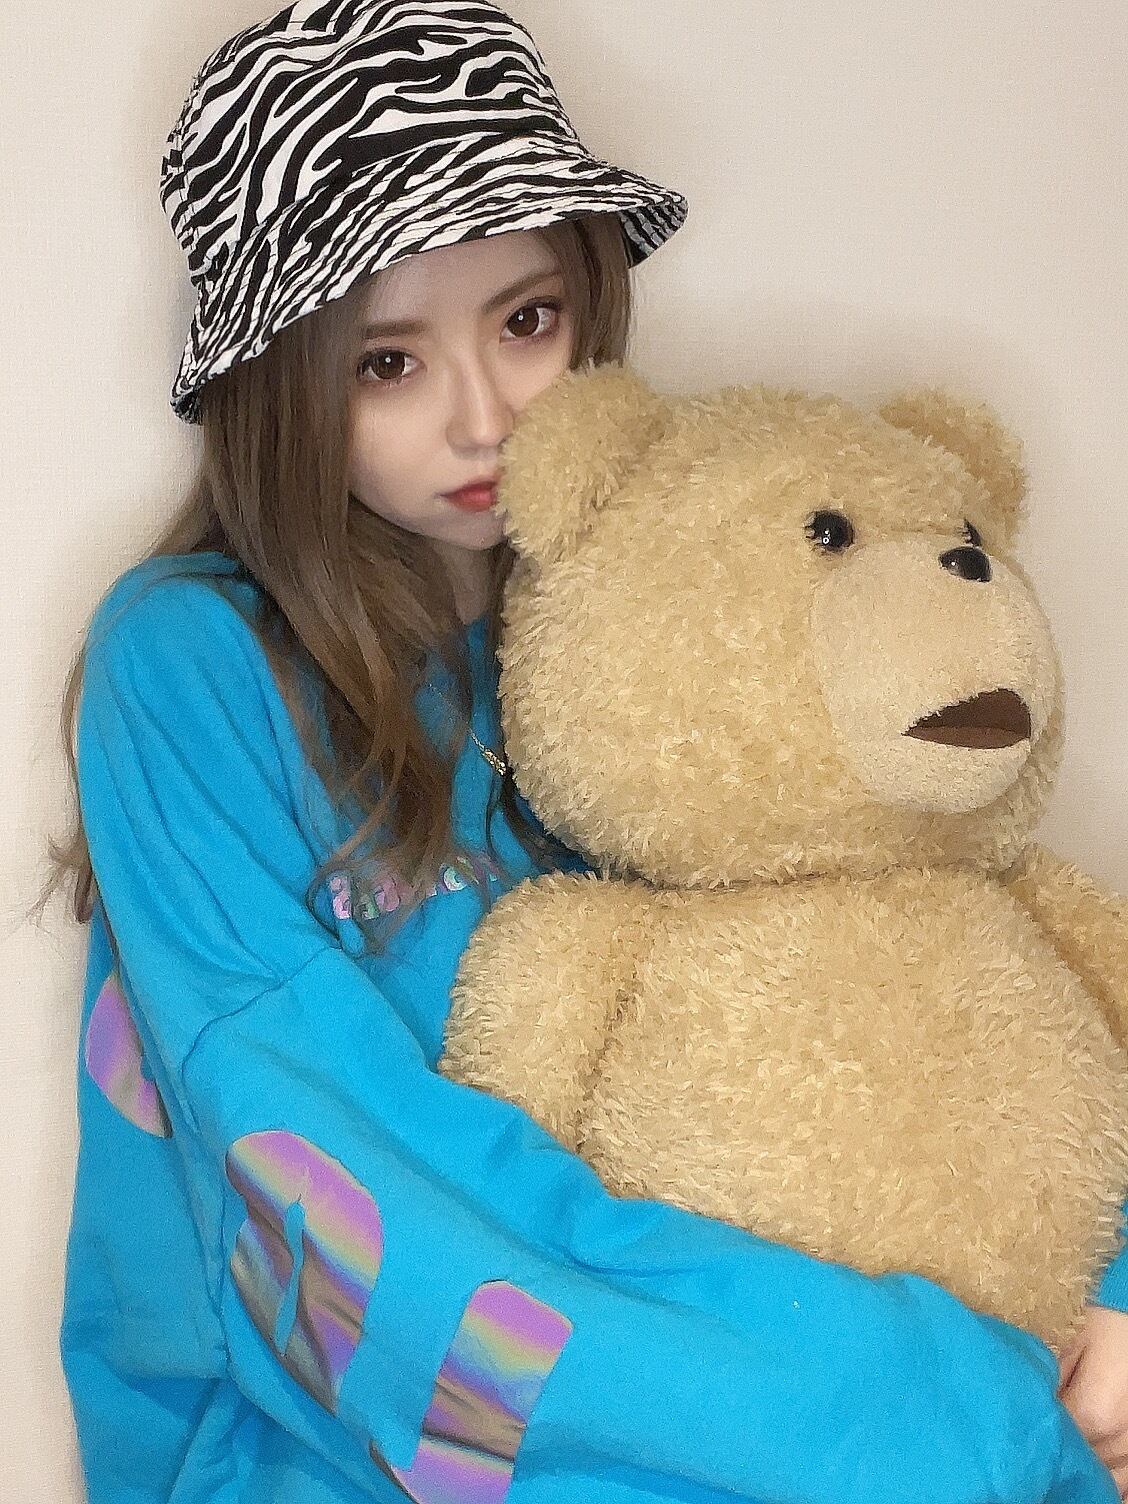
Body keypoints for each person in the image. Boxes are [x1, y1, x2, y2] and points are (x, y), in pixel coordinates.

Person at [37, 2, 1127, 1500]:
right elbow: (327, 1167)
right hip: (364, 1439)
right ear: (279, 385)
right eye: (386, 364)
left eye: (526, 322)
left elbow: (950, 955)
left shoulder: (655, 603)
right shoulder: (194, 660)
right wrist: (926, 1406)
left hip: (790, 1397)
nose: (485, 418)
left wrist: (1104, 1287)